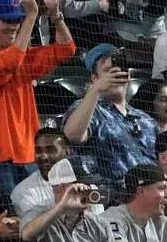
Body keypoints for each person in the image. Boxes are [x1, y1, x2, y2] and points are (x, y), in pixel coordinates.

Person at [0, 0, 76, 205]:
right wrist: (31, 17)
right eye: (7, 20)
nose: (14, 26)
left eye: (17, 20)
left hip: (28, 155)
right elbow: (9, 63)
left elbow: (66, 49)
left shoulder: (21, 54)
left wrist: (55, 15)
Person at [62, 43, 158, 188]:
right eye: (108, 71)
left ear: (129, 75)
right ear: (94, 78)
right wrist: (96, 91)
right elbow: (72, 136)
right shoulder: (88, 108)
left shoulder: (146, 119)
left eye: (119, 70)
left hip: (152, 197)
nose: (115, 74)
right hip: (112, 200)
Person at [18, 158, 118, 242]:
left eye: (89, 185)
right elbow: (27, 235)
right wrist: (62, 206)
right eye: (83, 187)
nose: (89, 190)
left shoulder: (100, 224)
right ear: (63, 188)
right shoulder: (36, 214)